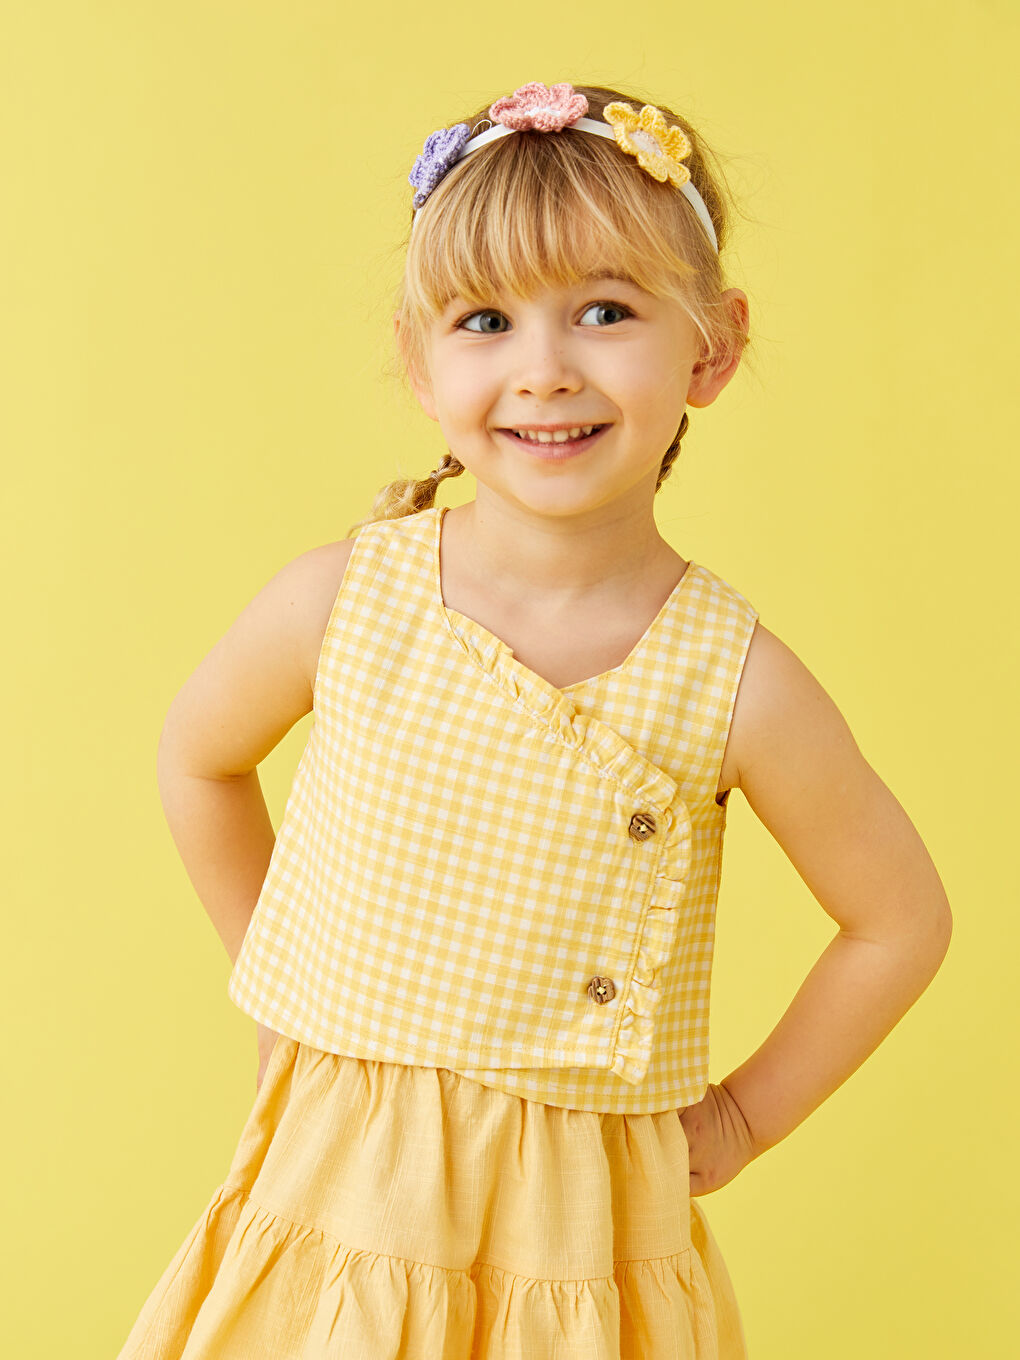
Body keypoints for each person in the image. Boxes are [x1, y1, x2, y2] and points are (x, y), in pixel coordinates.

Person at [115, 80, 953, 1359]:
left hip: (577, 1244)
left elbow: (899, 919)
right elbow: (198, 758)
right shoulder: (345, 598)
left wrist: (741, 1119)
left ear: (711, 348)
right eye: (486, 320)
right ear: (420, 359)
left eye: (606, 312)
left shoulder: (735, 680)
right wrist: (283, 989)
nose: (544, 370)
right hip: (340, 1192)